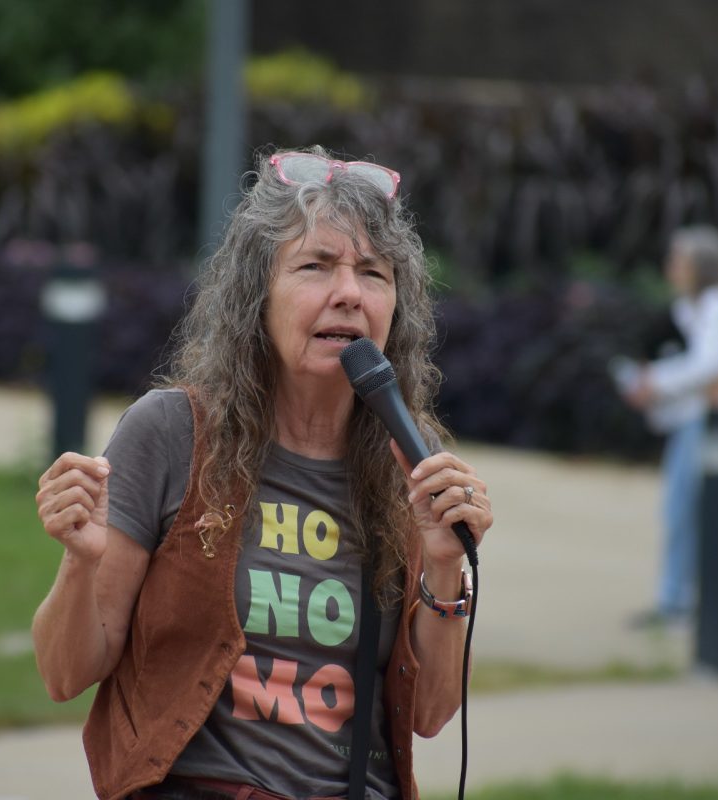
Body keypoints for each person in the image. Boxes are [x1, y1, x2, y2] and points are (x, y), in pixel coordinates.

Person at [31, 146, 493, 800]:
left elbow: (431, 715)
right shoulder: (172, 434)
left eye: (374, 273)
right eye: (316, 266)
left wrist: (446, 565)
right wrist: (79, 562)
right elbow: (62, 673)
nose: (349, 295)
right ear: (257, 297)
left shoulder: (408, 465)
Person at [619, 225, 718, 640]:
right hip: (702, 420)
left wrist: (654, 380)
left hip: (712, 421)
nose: (671, 267)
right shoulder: (705, 304)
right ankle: (681, 601)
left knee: (708, 511)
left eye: (679, 260)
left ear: (700, 266)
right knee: (698, 511)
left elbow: (712, 364)